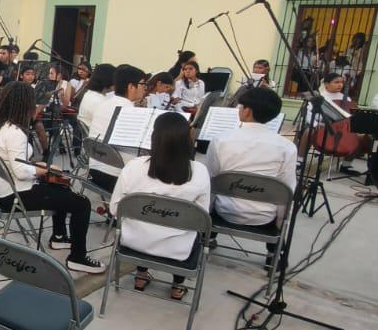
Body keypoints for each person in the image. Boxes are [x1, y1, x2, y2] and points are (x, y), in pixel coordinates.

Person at [0, 82, 101, 273]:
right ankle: (78, 257)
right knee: (82, 203)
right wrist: (45, 169)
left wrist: (39, 167)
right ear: (24, 104)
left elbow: (13, 162)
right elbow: (20, 172)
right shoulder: (15, 132)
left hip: (1, 189)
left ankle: (59, 236)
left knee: (61, 187)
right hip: (14, 196)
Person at [110, 112, 211, 301]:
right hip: (178, 250)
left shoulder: (133, 166)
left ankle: (141, 276)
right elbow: (202, 220)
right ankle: (178, 285)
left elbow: (115, 209)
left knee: (145, 225)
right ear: (187, 140)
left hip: (133, 242)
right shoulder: (199, 172)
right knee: (192, 232)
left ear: (154, 137)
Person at [205, 87, 296, 268]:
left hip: (224, 211)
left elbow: (210, 180)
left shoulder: (221, 140)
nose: (239, 109)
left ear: (247, 111)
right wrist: (280, 225)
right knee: (282, 198)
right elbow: (287, 190)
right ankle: (274, 252)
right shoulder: (286, 147)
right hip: (264, 217)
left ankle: (207, 238)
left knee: (212, 186)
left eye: (240, 106)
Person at [86, 64, 148, 191]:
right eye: (143, 84)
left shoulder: (103, 104)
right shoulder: (132, 113)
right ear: (131, 87)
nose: (145, 88)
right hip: (117, 178)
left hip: (95, 170)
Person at [76, 63, 116, 136]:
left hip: (89, 138)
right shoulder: (101, 102)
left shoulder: (89, 94)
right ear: (109, 80)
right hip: (98, 139)